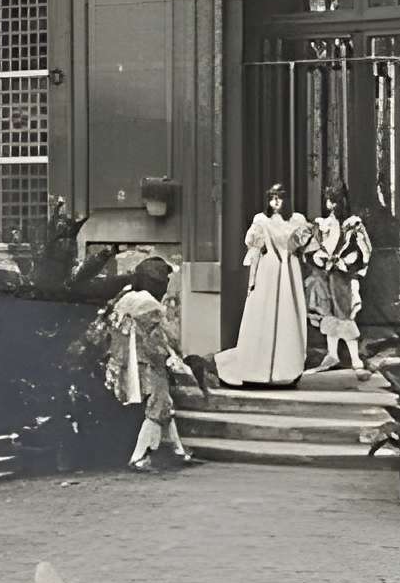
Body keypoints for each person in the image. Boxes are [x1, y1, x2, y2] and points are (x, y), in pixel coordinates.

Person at [103, 257, 200, 471]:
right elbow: (158, 342)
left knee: (164, 405)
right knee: (158, 406)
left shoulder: (125, 298)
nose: (166, 284)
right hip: (147, 364)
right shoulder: (150, 305)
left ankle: (179, 452)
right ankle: (140, 457)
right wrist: (172, 360)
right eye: (164, 279)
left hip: (124, 362)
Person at [217, 182, 311, 388]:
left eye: (280, 197)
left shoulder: (297, 220)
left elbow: (304, 243)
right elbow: (252, 243)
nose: (276, 201)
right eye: (272, 197)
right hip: (269, 270)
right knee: (263, 312)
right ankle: (258, 368)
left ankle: (286, 369)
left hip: (289, 270)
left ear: (287, 199)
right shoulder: (261, 220)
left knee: (288, 313)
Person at [307, 182, 373, 371]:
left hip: (343, 275)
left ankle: (354, 358)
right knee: (328, 312)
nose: (332, 205)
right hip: (326, 273)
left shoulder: (353, 225)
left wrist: (344, 262)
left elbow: (362, 249)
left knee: (344, 313)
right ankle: (332, 354)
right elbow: (315, 247)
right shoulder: (323, 224)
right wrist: (321, 259)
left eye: (336, 201)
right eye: (330, 201)